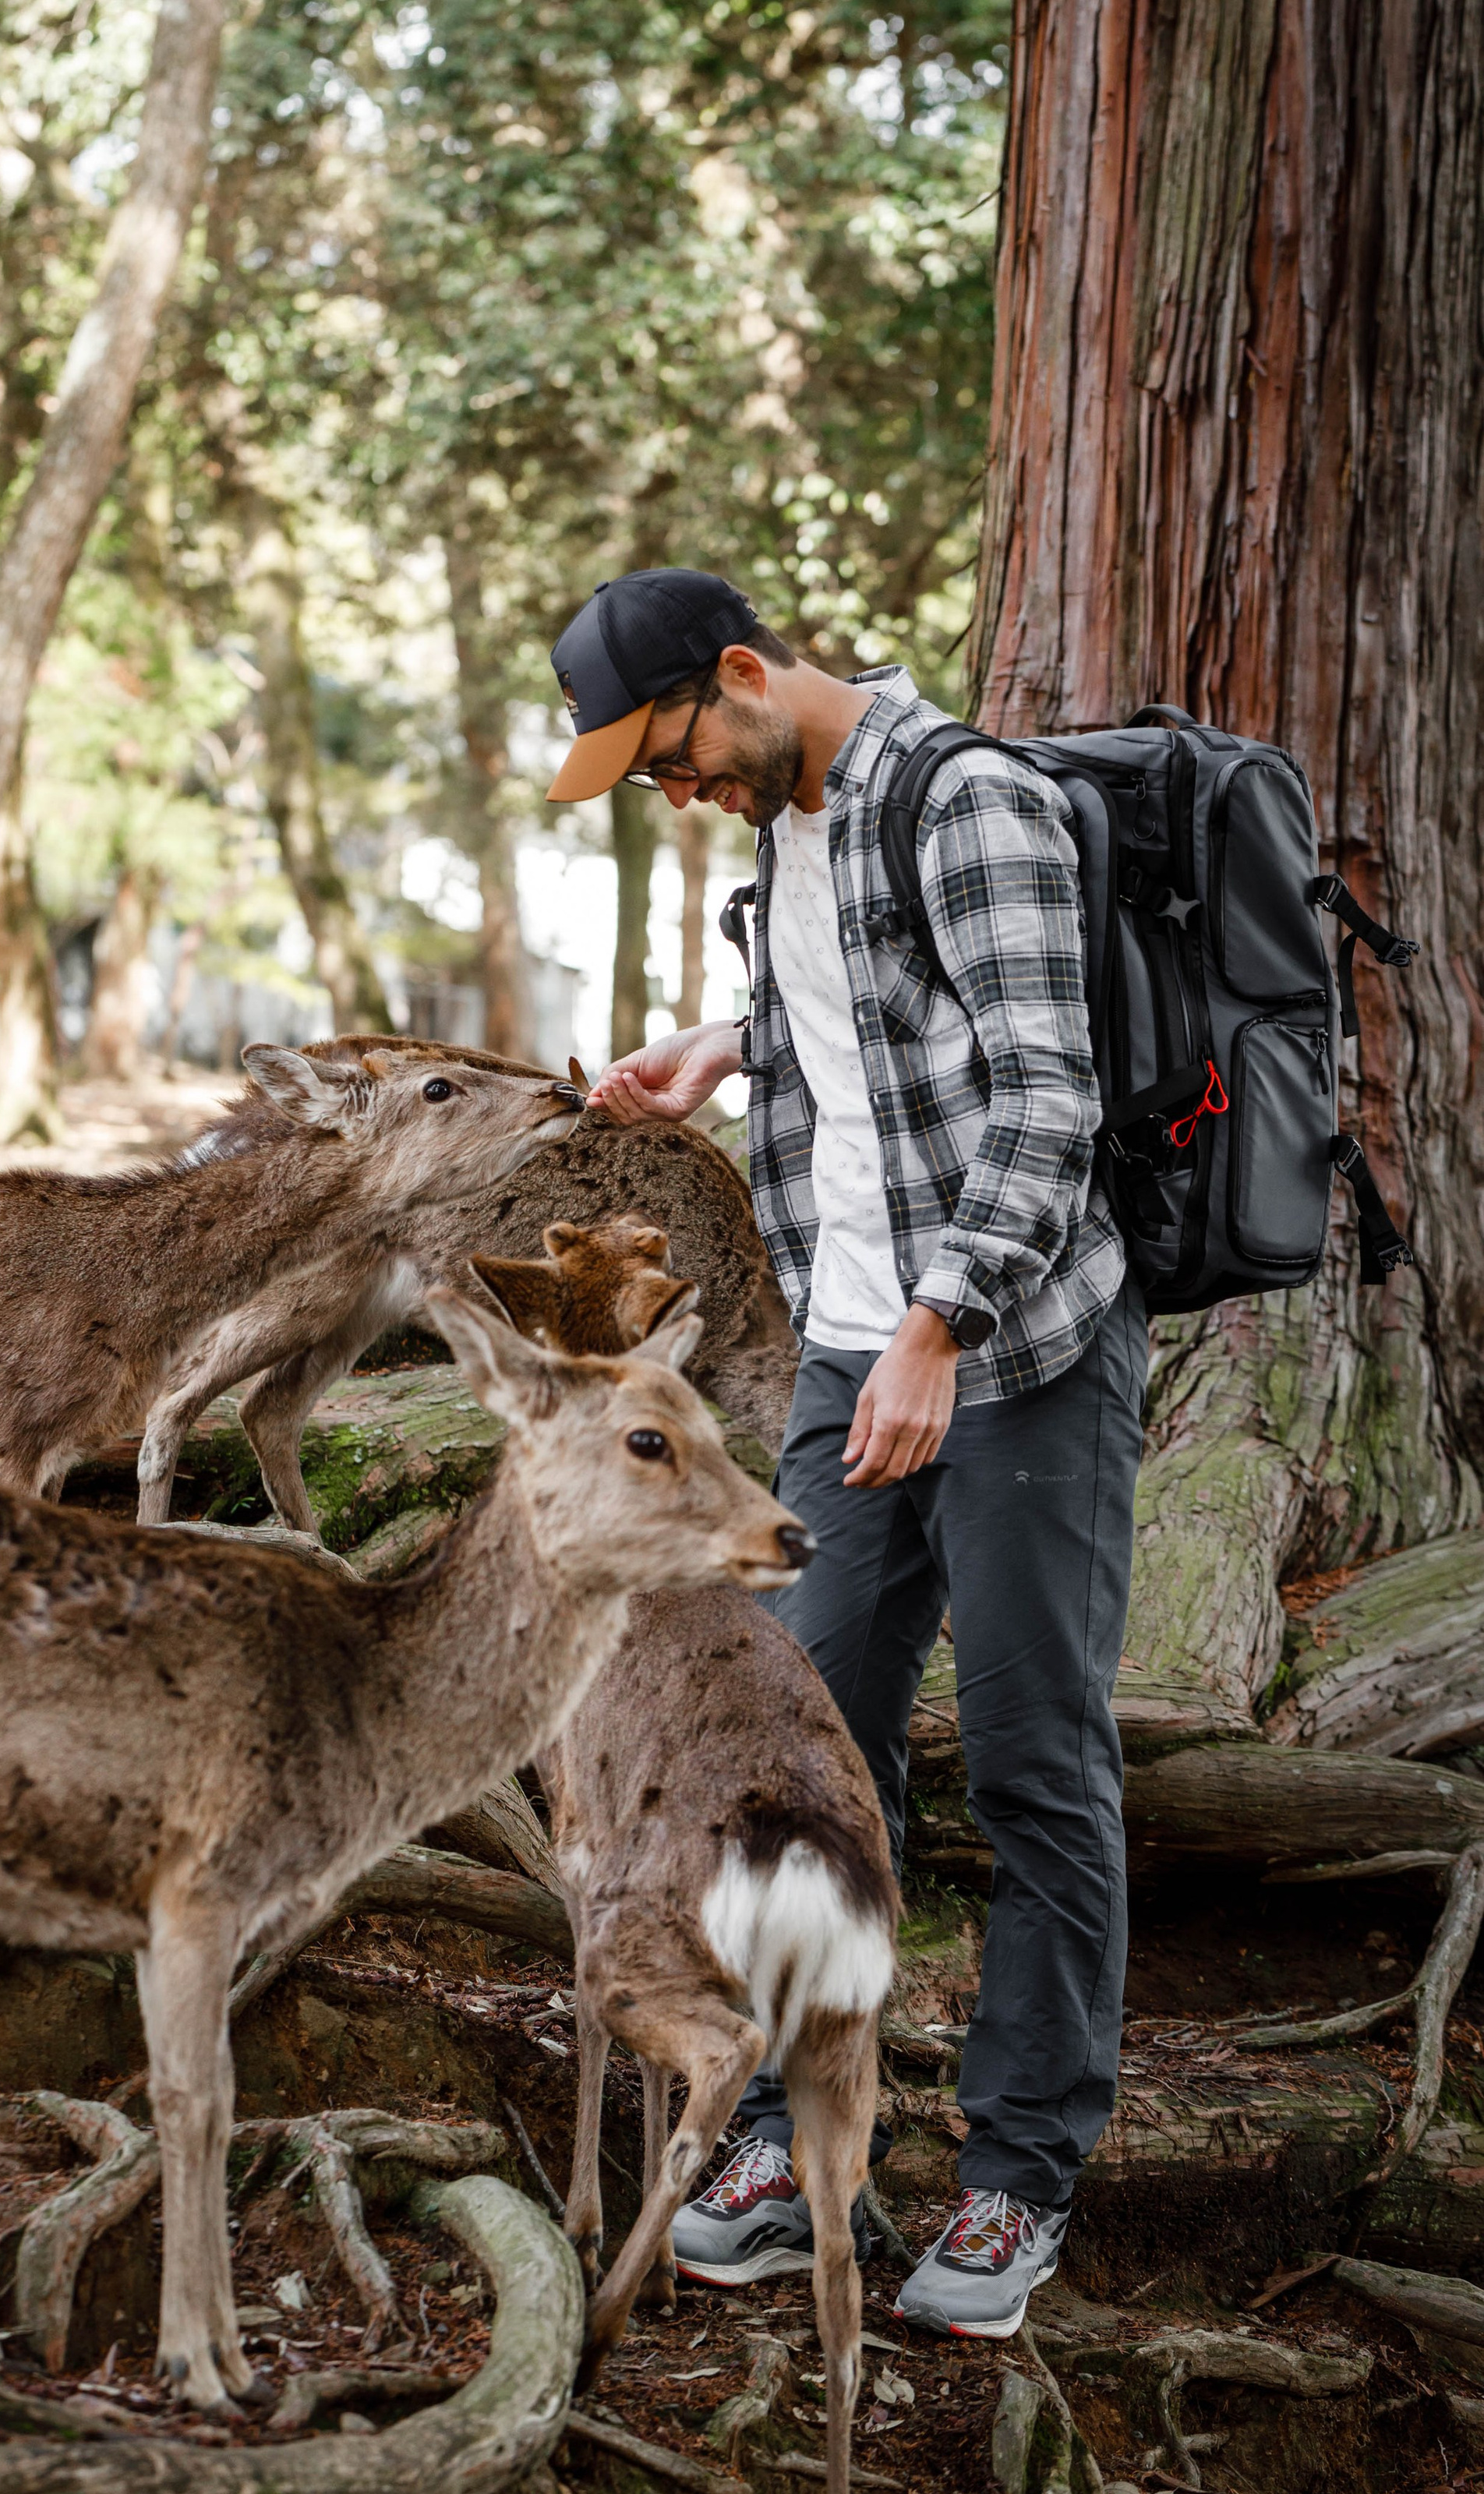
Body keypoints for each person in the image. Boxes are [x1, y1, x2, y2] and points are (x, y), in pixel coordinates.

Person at [546, 569, 1145, 2340]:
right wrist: (720, 1048)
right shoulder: (788, 837)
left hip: (1012, 1351)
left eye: (674, 754)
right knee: (790, 1754)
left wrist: (937, 1329)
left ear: (743, 673)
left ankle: (1016, 2170)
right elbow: (872, 1018)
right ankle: (793, 2139)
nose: (677, 793)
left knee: (1036, 1762)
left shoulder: (970, 802)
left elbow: (1046, 1093)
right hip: (845, 1360)